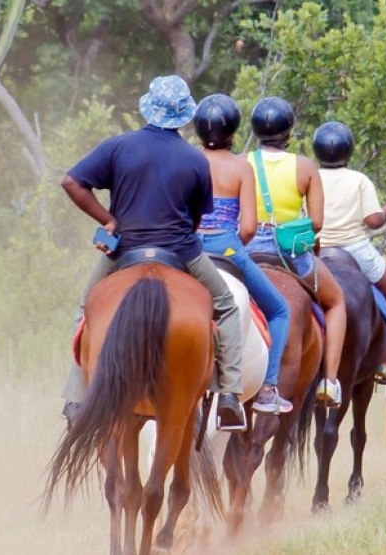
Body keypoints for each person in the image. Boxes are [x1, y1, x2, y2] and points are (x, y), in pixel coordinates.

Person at [60, 75, 246, 430]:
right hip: (180, 250)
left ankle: (76, 396)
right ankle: (229, 396)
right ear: (184, 116)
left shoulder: (118, 146)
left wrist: (109, 220)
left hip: (124, 250)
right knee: (225, 305)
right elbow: (195, 219)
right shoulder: (195, 160)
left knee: (87, 307)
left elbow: (72, 182)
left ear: (148, 107)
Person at [193, 93, 294, 414]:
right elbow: (248, 227)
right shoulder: (241, 167)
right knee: (279, 311)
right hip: (227, 247)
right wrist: (232, 242)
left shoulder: (187, 160)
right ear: (234, 132)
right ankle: (267, 389)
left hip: (188, 247)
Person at [244, 97, 346, 408]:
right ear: (288, 133)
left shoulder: (241, 162)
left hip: (245, 249)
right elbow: (316, 223)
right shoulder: (304, 167)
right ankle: (329, 381)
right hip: (288, 253)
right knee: (337, 301)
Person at [311, 121, 386, 387]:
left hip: (317, 249)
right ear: (349, 151)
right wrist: (385, 213)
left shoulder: (310, 176)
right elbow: (374, 222)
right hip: (355, 249)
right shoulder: (359, 180)